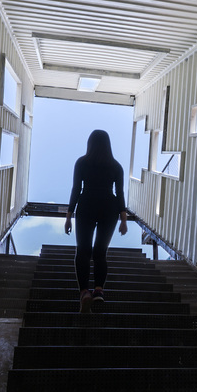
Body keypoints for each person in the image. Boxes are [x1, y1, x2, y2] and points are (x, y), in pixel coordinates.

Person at [63, 130, 128, 313]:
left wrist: (68, 217)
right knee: (100, 252)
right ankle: (99, 290)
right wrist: (123, 220)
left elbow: (76, 189)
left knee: (83, 251)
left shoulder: (82, 162)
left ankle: (84, 292)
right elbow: (120, 193)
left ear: (90, 143)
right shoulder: (116, 166)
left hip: (86, 205)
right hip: (109, 208)